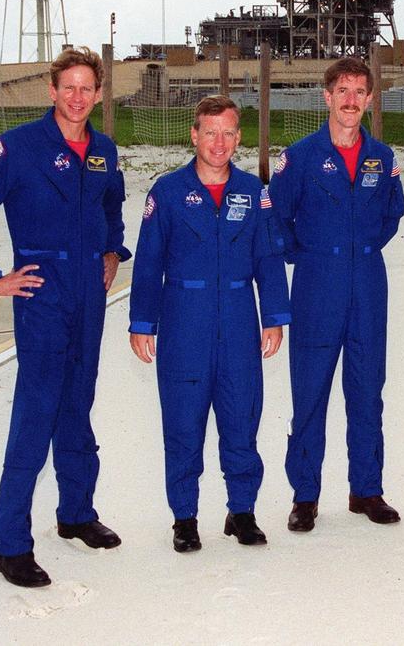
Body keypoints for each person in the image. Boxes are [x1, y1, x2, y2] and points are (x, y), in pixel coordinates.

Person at [0, 46, 130, 588]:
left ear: (99, 94)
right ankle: (8, 543)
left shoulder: (103, 150)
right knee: (36, 412)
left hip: (89, 296)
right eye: (67, 87)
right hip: (43, 294)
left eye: (86, 88)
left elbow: (112, 205)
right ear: (52, 91)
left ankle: (75, 513)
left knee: (78, 403)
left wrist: (113, 251)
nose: (77, 97)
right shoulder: (19, 147)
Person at [128, 95, 291, 552]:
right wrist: (143, 322)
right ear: (194, 136)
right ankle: (185, 517)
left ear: (239, 138)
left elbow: (268, 256)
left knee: (242, 417)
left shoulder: (252, 191)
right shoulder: (167, 193)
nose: (219, 143)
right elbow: (148, 263)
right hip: (184, 320)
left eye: (228, 133)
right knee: (183, 422)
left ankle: (241, 511)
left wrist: (274, 317)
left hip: (240, 319)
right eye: (210, 132)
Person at [267, 57, 404, 532]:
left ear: (370, 100)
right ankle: (305, 495)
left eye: (359, 92)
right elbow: (276, 219)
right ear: (326, 97)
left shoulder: (382, 158)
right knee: (310, 391)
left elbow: (392, 215)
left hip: (368, 282)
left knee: (368, 391)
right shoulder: (300, 157)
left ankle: (366, 489)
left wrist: (359, 250)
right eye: (342, 90)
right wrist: (310, 255)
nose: (350, 100)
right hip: (316, 285)